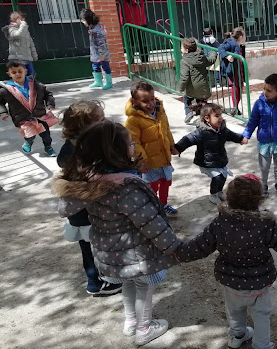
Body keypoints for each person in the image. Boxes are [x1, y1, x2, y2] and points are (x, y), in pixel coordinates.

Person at [52, 120, 181, 346]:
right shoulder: (125, 187)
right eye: (130, 143)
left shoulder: (91, 181)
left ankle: (131, 321)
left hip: (113, 254)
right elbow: (150, 223)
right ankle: (144, 328)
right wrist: (175, 247)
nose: (133, 146)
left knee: (129, 283)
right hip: (137, 253)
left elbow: (66, 207)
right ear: (116, 152)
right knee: (144, 286)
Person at [174, 174, 277, 349]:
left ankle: (237, 336)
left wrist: (179, 253)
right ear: (259, 201)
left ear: (229, 199)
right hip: (259, 283)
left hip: (231, 282)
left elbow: (200, 246)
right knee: (261, 315)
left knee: (234, 310)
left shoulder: (220, 223)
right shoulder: (265, 225)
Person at [57, 100, 122, 296]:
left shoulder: (78, 145)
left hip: (84, 209)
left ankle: (98, 279)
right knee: (94, 247)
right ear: (83, 128)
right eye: (100, 119)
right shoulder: (82, 152)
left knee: (90, 246)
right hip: (86, 210)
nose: (106, 121)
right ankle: (98, 282)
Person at [174, 103, 247, 204]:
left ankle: (219, 191)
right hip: (206, 161)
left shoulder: (222, 129)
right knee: (217, 177)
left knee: (223, 176)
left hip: (220, 159)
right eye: (216, 116)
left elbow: (232, 135)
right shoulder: (201, 132)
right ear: (207, 118)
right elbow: (188, 139)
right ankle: (213, 194)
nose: (220, 118)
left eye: (220, 115)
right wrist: (178, 148)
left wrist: (240, 139)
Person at [124, 81, 179, 214]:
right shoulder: (133, 120)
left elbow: (166, 130)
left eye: (152, 99)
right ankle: (151, 208)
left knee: (166, 182)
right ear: (135, 101)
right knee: (151, 187)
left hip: (164, 158)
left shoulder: (160, 111)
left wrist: (172, 145)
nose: (151, 104)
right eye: (145, 101)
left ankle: (163, 204)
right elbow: (134, 142)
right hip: (149, 163)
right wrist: (142, 161)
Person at [0, 60, 57, 156]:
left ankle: (48, 147)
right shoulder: (6, 90)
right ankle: (28, 142)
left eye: (20, 71)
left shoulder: (36, 85)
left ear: (25, 71)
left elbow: (47, 94)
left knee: (46, 135)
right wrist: (3, 113)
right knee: (30, 135)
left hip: (39, 115)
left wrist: (50, 104)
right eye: (14, 72)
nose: (17, 74)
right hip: (23, 117)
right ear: (9, 74)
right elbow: (0, 103)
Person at [116, 0, 155, 64]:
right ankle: (131, 63)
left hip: (141, 23)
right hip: (128, 25)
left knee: (143, 45)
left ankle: (145, 62)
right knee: (130, 45)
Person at [178, 37, 217, 124]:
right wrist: (214, 52)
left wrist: (181, 88)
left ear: (186, 50)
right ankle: (204, 114)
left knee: (186, 99)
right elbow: (211, 60)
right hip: (203, 86)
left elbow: (184, 77)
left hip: (192, 87)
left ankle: (189, 112)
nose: (180, 49)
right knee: (201, 100)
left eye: (181, 48)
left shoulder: (184, 61)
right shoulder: (201, 57)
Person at [80, 8, 113, 90]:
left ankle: (109, 83)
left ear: (88, 20)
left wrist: (101, 55)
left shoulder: (97, 31)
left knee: (105, 66)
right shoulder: (93, 29)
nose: (82, 22)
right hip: (95, 53)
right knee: (95, 66)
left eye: (83, 20)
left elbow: (101, 44)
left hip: (102, 53)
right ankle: (98, 81)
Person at [218, 27, 246, 116]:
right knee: (236, 88)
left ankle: (235, 107)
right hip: (234, 70)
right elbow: (221, 48)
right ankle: (235, 107)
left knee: (239, 88)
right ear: (241, 36)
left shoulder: (239, 45)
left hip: (239, 70)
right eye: (244, 35)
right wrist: (227, 56)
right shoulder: (231, 42)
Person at [2, 12, 38, 78]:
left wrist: (34, 55)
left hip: (27, 58)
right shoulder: (11, 28)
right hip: (17, 59)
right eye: (21, 19)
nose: (23, 21)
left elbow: (30, 43)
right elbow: (18, 35)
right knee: (21, 75)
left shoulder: (24, 29)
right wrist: (23, 25)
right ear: (14, 20)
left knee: (31, 74)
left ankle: (30, 84)